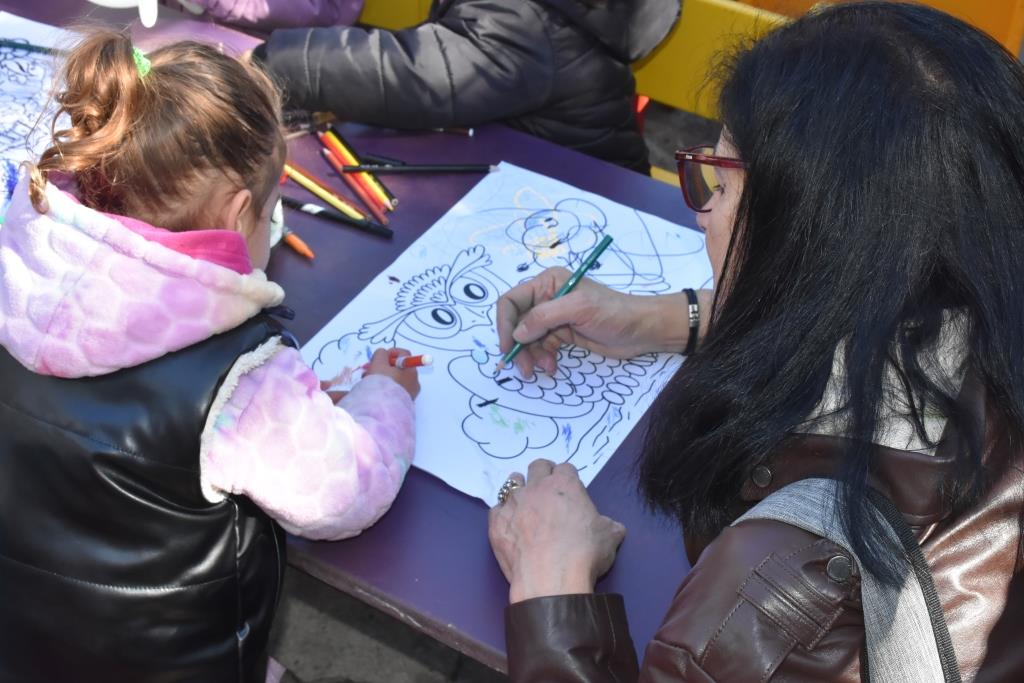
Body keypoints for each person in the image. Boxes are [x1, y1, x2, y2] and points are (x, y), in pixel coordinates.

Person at [488, 2, 1024, 680]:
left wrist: (551, 582)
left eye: (720, 181)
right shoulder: (984, 299)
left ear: (814, 239)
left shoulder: (753, 622)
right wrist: (668, 317)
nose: (705, 209)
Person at [0, 30, 419, 681]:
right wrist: (383, 393)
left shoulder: (14, 273)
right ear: (239, 211)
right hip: (166, 662)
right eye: (273, 210)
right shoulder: (240, 376)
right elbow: (346, 492)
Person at [248, 0, 681, 173]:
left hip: (586, 210)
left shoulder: (528, 25)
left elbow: (416, 73)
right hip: (523, 173)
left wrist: (272, 62)